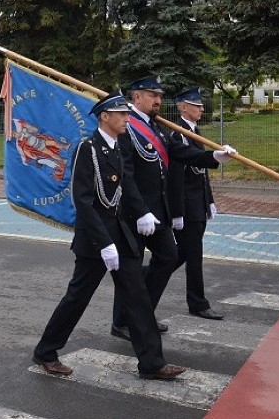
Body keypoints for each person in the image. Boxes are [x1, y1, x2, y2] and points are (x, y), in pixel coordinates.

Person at [33, 90, 186, 380]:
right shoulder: (87, 148)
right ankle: (46, 351)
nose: (127, 118)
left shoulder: (116, 147)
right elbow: (83, 200)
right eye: (122, 114)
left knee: (137, 296)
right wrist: (104, 244)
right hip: (95, 239)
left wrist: (142, 213)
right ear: (105, 116)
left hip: (120, 233)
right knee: (78, 296)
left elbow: (125, 186)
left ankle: (152, 363)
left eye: (128, 114)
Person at [110, 76, 236, 341]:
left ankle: (141, 313)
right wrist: (141, 210)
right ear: (136, 98)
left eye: (159, 95)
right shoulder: (127, 127)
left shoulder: (156, 127)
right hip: (134, 214)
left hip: (158, 213)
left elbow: (179, 153)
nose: (158, 100)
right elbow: (126, 175)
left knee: (168, 257)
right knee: (130, 271)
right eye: (151, 95)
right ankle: (122, 322)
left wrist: (213, 156)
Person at [168, 89, 232, 320]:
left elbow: (200, 172)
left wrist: (210, 201)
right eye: (196, 105)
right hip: (187, 207)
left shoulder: (195, 131)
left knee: (182, 254)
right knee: (193, 255)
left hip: (198, 204)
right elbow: (175, 176)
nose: (201, 108)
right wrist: (177, 212)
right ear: (183, 107)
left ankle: (147, 277)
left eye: (201, 105)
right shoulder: (177, 134)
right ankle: (198, 303)